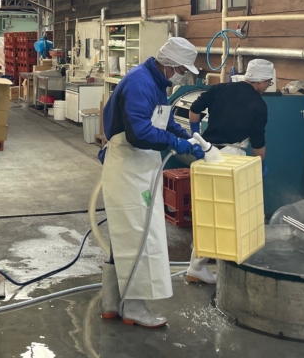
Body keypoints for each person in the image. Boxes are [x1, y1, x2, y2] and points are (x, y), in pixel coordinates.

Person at [100, 37, 207, 328]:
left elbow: (162, 120)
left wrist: (187, 137)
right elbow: (139, 133)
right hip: (129, 166)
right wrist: (176, 143)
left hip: (139, 166)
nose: (183, 75)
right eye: (182, 70)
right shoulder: (140, 84)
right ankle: (133, 308)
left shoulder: (155, 83)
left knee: (125, 236)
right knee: (138, 237)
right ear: (169, 65)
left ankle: (111, 302)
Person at [184, 59, 273, 284]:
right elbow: (258, 143)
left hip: (209, 155)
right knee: (229, 213)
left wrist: (198, 137)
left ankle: (199, 264)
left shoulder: (220, 88)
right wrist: (259, 166)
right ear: (260, 81)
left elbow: (194, 111)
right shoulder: (259, 105)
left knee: (208, 210)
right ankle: (207, 265)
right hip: (233, 158)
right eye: (268, 82)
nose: (268, 86)